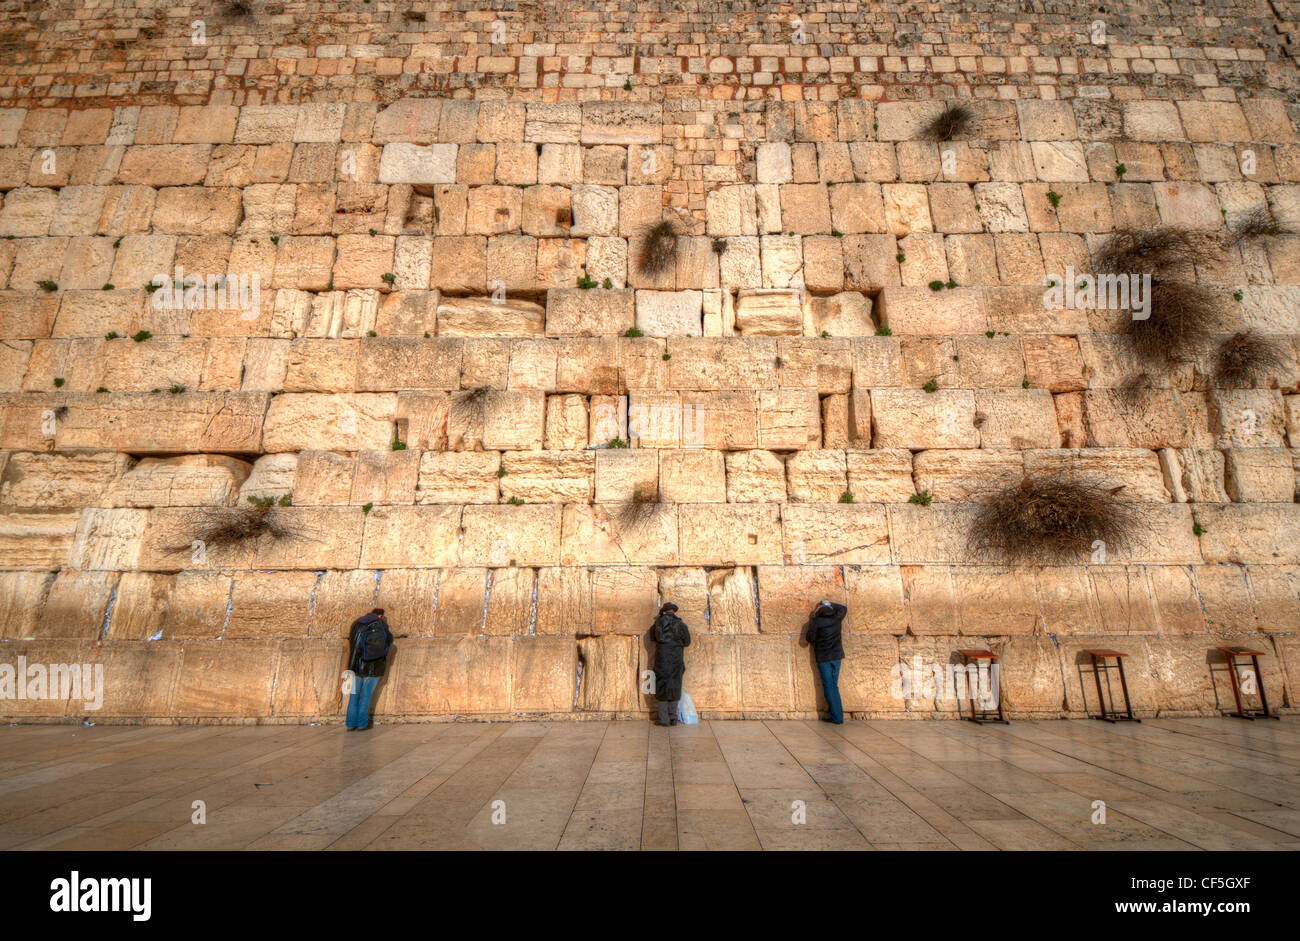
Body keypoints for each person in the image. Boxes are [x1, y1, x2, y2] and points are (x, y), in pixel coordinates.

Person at [346, 607, 393, 731]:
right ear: (381, 615)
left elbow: (353, 644)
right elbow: (389, 640)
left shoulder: (356, 623)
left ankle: (351, 724)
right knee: (366, 695)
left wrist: (351, 666)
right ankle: (362, 724)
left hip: (357, 664)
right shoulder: (381, 624)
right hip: (374, 666)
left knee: (354, 694)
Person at [805, 600, 848, 724]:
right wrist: (828, 603)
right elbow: (843, 608)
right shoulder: (837, 618)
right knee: (834, 686)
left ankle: (837, 717)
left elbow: (810, 638)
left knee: (829, 686)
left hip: (824, 658)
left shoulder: (816, 622)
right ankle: (838, 715)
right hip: (837, 656)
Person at [650, 602, 691, 726]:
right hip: (676, 658)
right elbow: (687, 641)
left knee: (662, 686)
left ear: (663, 611)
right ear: (674, 611)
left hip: (662, 658)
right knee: (675, 684)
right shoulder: (681, 624)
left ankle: (663, 719)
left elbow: (653, 637)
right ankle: (673, 717)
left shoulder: (658, 623)